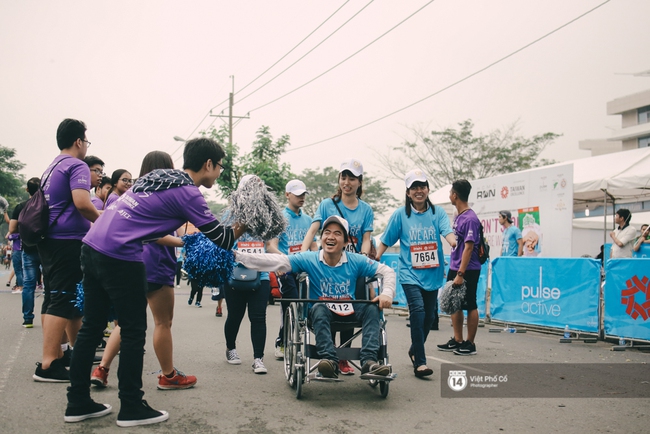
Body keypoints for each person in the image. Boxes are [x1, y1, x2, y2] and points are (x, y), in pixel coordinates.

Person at [65, 138, 246, 426]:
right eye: (220, 166)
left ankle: (77, 402)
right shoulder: (189, 192)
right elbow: (222, 238)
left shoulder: (157, 178)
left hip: (92, 246)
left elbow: (145, 228)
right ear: (208, 164)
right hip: (119, 256)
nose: (220, 173)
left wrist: (185, 241)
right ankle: (132, 406)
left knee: (92, 327)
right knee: (135, 330)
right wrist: (249, 216)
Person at [237, 215, 395, 379]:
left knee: (372, 308)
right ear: (322, 238)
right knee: (319, 307)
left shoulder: (357, 260)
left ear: (346, 242)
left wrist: (387, 293)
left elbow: (387, 271)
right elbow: (277, 261)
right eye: (327, 232)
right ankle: (329, 361)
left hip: (350, 311)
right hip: (321, 313)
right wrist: (238, 257)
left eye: (337, 233)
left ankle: (369, 362)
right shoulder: (309, 258)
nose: (331, 237)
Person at [91, 150, 199, 391]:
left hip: (127, 259)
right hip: (156, 263)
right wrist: (187, 242)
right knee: (162, 322)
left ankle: (102, 368)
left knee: (126, 322)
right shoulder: (166, 195)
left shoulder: (134, 194)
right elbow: (159, 234)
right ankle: (168, 375)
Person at [34, 119, 101, 383]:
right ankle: (50, 363)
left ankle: (69, 353)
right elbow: (83, 203)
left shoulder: (52, 167)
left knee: (59, 296)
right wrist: (103, 221)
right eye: (86, 141)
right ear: (78, 142)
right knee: (62, 297)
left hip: (49, 239)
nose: (86, 146)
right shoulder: (77, 165)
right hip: (67, 241)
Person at [376, 169, 455, 378]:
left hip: (433, 274)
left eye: (422, 187)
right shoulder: (400, 215)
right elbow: (386, 239)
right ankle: (420, 362)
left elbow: (447, 232)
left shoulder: (437, 213)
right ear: (408, 192)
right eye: (414, 188)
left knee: (429, 317)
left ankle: (414, 349)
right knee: (418, 312)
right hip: (409, 273)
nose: (419, 191)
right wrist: (374, 259)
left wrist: (454, 242)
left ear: (428, 189)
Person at [300, 158, 374, 375]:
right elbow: (313, 231)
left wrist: (361, 258)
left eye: (352, 178)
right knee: (327, 303)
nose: (347, 182)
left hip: (352, 264)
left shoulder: (366, 209)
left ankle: (344, 357)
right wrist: (304, 256)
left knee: (349, 304)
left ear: (359, 182)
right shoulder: (327, 205)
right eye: (343, 177)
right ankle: (330, 354)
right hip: (328, 262)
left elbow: (366, 238)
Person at [223, 175, 271, 375]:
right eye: (251, 188)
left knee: (258, 317)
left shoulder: (268, 214)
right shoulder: (229, 214)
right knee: (235, 315)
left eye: (259, 188)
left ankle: (258, 359)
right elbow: (223, 241)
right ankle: (231, 348)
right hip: (234, 273)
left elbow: (271, 241)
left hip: (261, 275)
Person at [266, 179, 317, 359]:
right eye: (297, 194)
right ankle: (282, 342)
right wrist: (283, 260)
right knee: (291, 304)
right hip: (286, 270)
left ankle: (307, 341)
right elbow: (271, 245)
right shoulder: (279, 217)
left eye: (303, 194)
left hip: (305, 271)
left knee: (310, 307)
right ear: (287, 195)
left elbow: (313, 246)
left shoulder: (309, 220)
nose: (301, 197)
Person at [437, 179, 481, 356]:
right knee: (454, 302)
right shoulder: (459, 216)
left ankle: (470, 343)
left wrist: (461, 273)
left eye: (450, 193)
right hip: (456, 265)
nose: (449, 196)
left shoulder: (470, 219)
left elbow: (469, 247)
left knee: (470, 304)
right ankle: (458, 339)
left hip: (468, 269)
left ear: (455, 195)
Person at [8, 177, 42, 327]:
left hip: (27, 249)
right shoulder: (46, 205)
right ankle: (50, 317)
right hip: (45, 249)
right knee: (50, 282)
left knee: (28, 285)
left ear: (27, 189)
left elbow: (12, 229)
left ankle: (28, 318)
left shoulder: (21, 206)